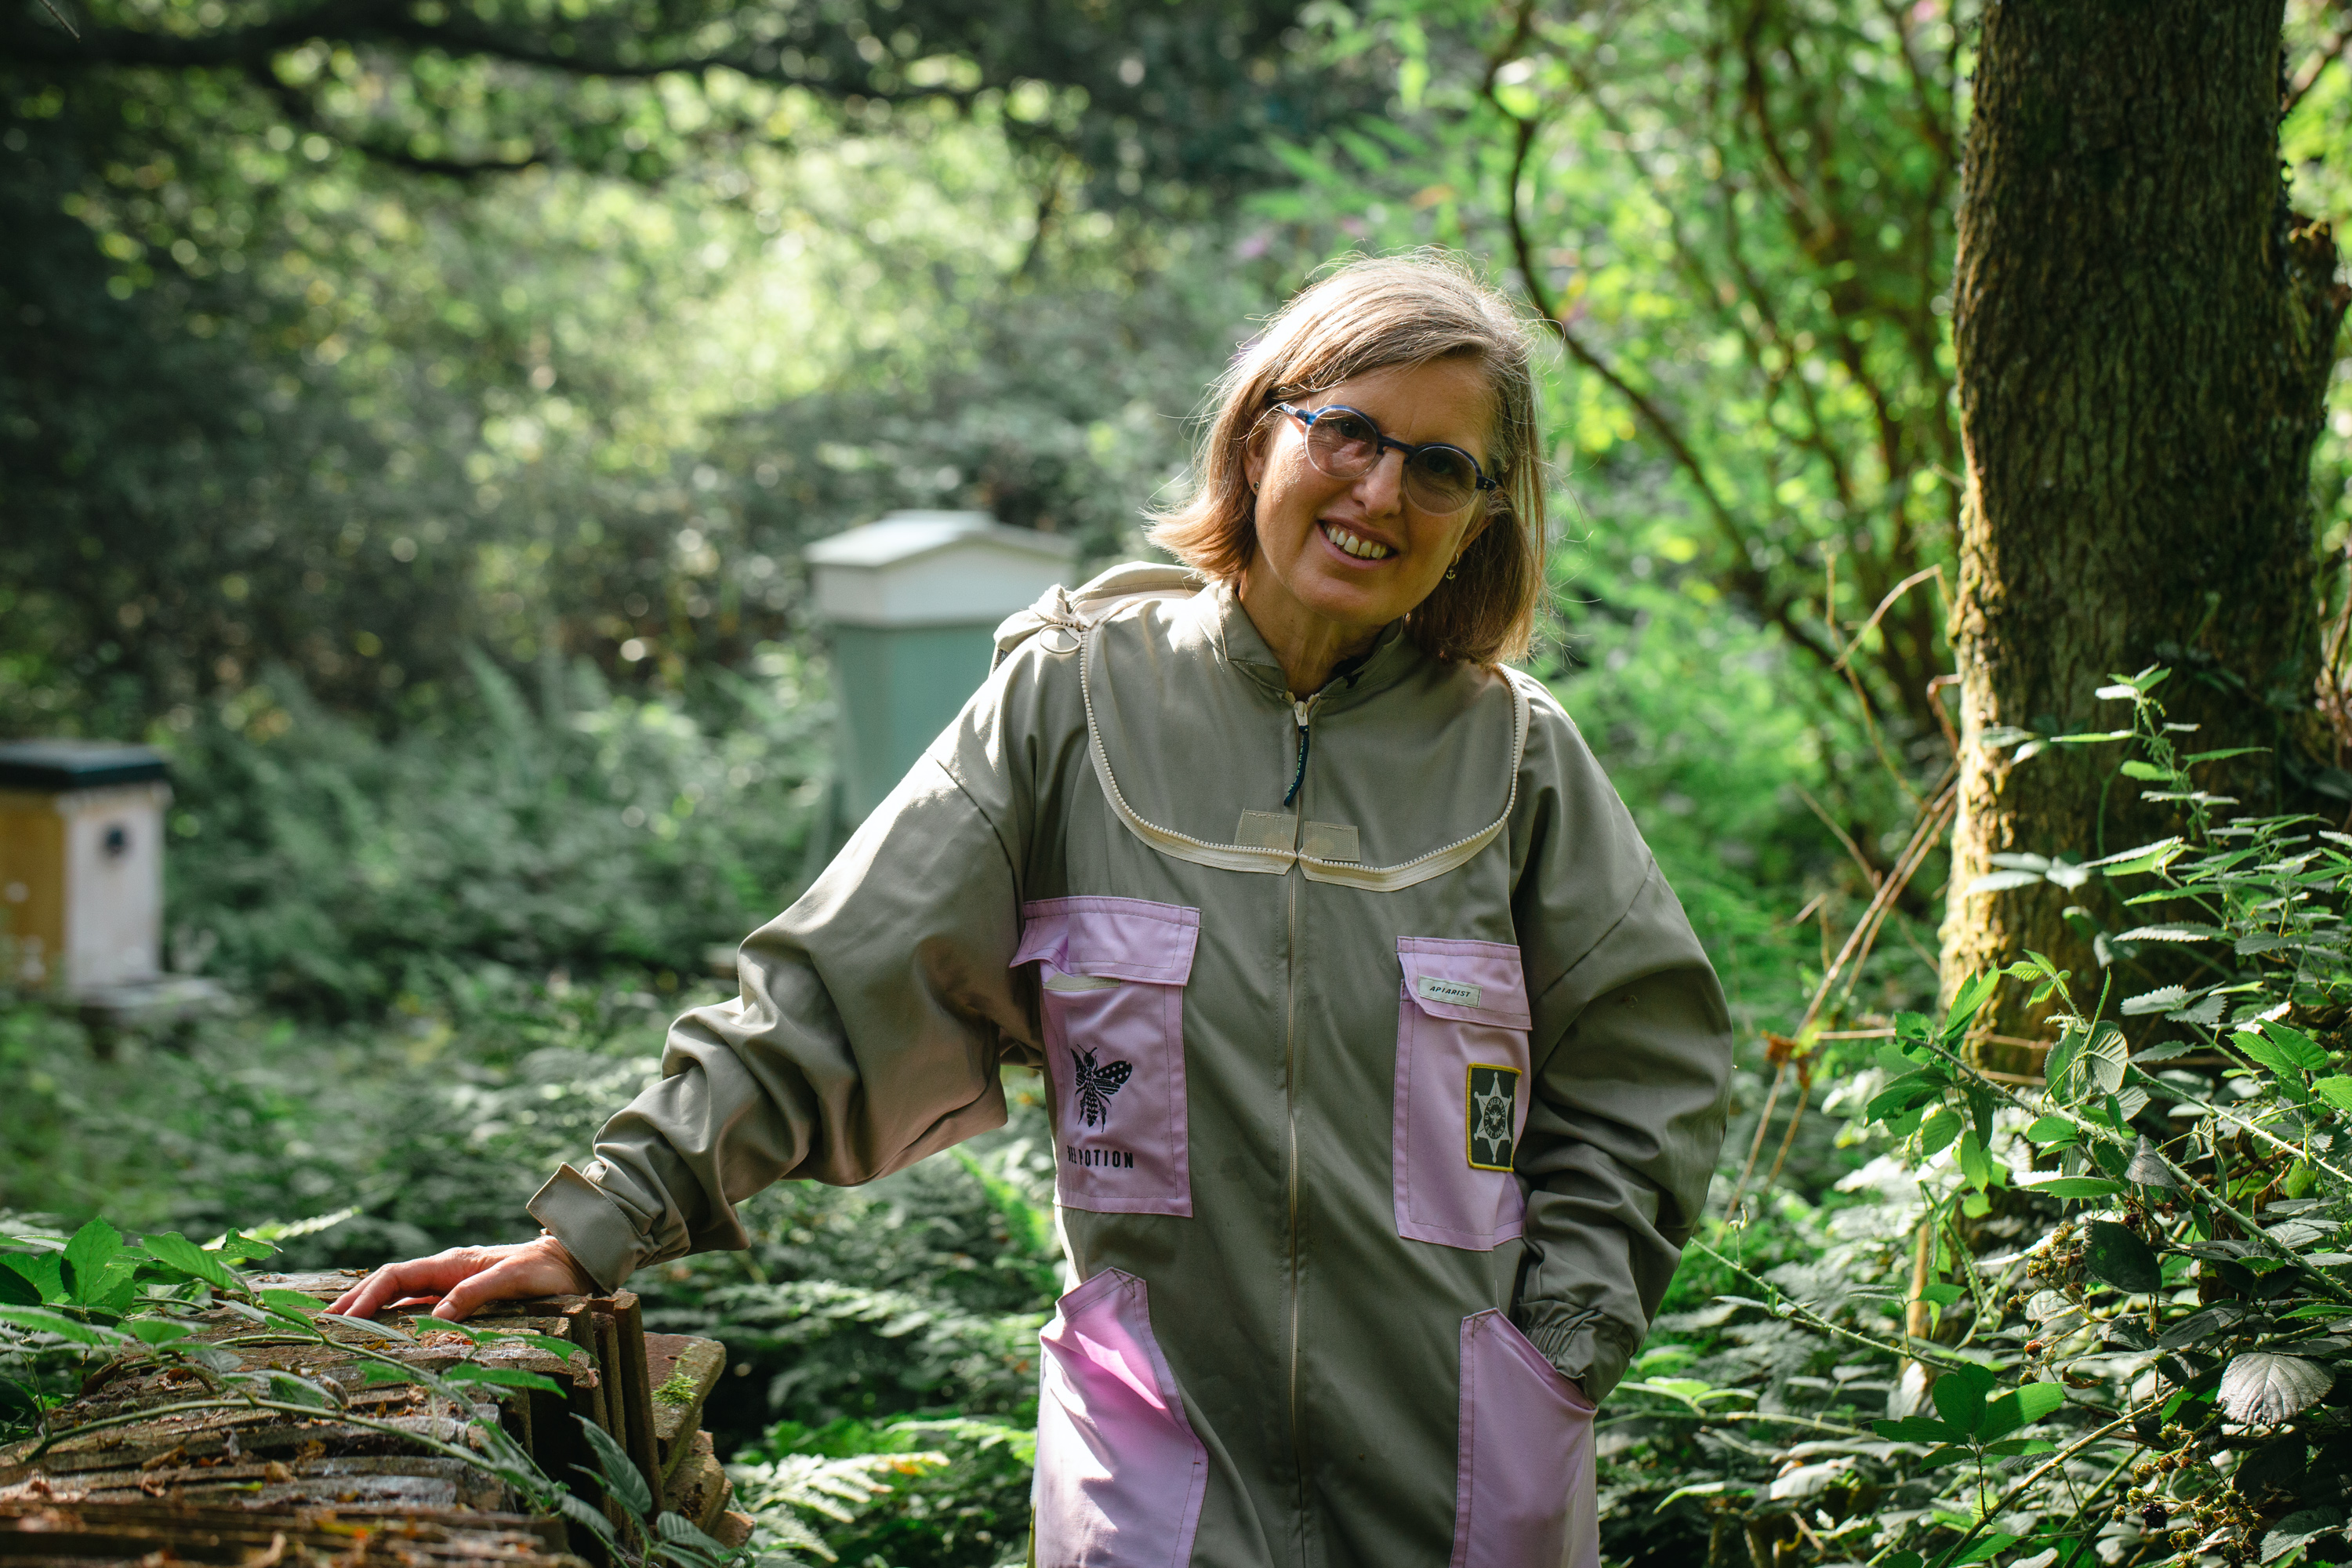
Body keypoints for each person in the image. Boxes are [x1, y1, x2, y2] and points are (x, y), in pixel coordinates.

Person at [332, 252, 1733, 1568]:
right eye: (1347, 432)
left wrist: (1554, 1351)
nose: (1381, 491)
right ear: (1261, 436)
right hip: (1156, 1466)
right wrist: (600, 1221)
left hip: (1468, 1478)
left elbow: (1644, 1071)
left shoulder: (1518, 757)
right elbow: (840, 986)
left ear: (1484, 514)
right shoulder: (1075, 698)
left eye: (1442, 467)